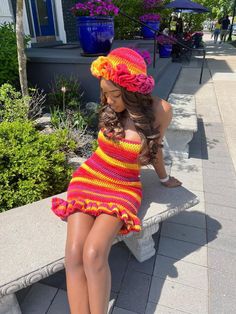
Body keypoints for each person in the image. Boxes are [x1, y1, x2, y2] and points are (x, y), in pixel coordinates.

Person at [51, 47, 182, 314]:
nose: (108, 100)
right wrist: (111, 99)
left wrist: (164, 178)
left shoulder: (160, 110)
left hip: (123, 186)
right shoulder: (111, 107)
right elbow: (104, 149)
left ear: (132, 90)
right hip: (90, 176)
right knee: (74, 253)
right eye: (105, 93)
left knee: (94, 253)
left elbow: (156, 149)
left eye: (114, 94)